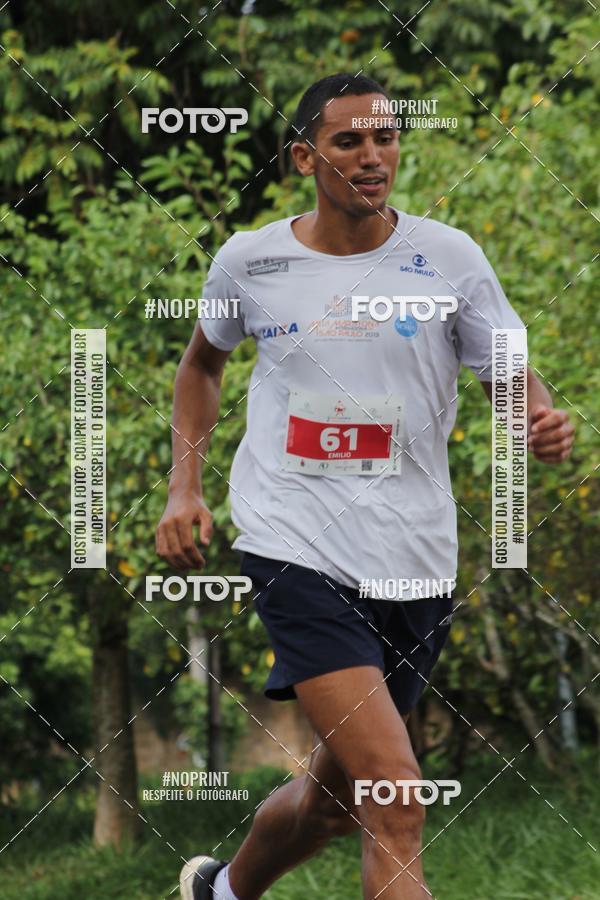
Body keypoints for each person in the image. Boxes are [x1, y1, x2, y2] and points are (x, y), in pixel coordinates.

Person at [156, 72, 575, 900]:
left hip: (414, 557)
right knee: (397, 798)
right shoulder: (251, 260)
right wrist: (183, 489)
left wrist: (539, 416)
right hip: (293, 543)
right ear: (305, 155)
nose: (372, 155)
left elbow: (511, 373)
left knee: (336, 799)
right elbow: (200, 365)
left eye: (385, 137)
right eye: (349, 141)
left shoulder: (449, 255)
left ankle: (223, 891)